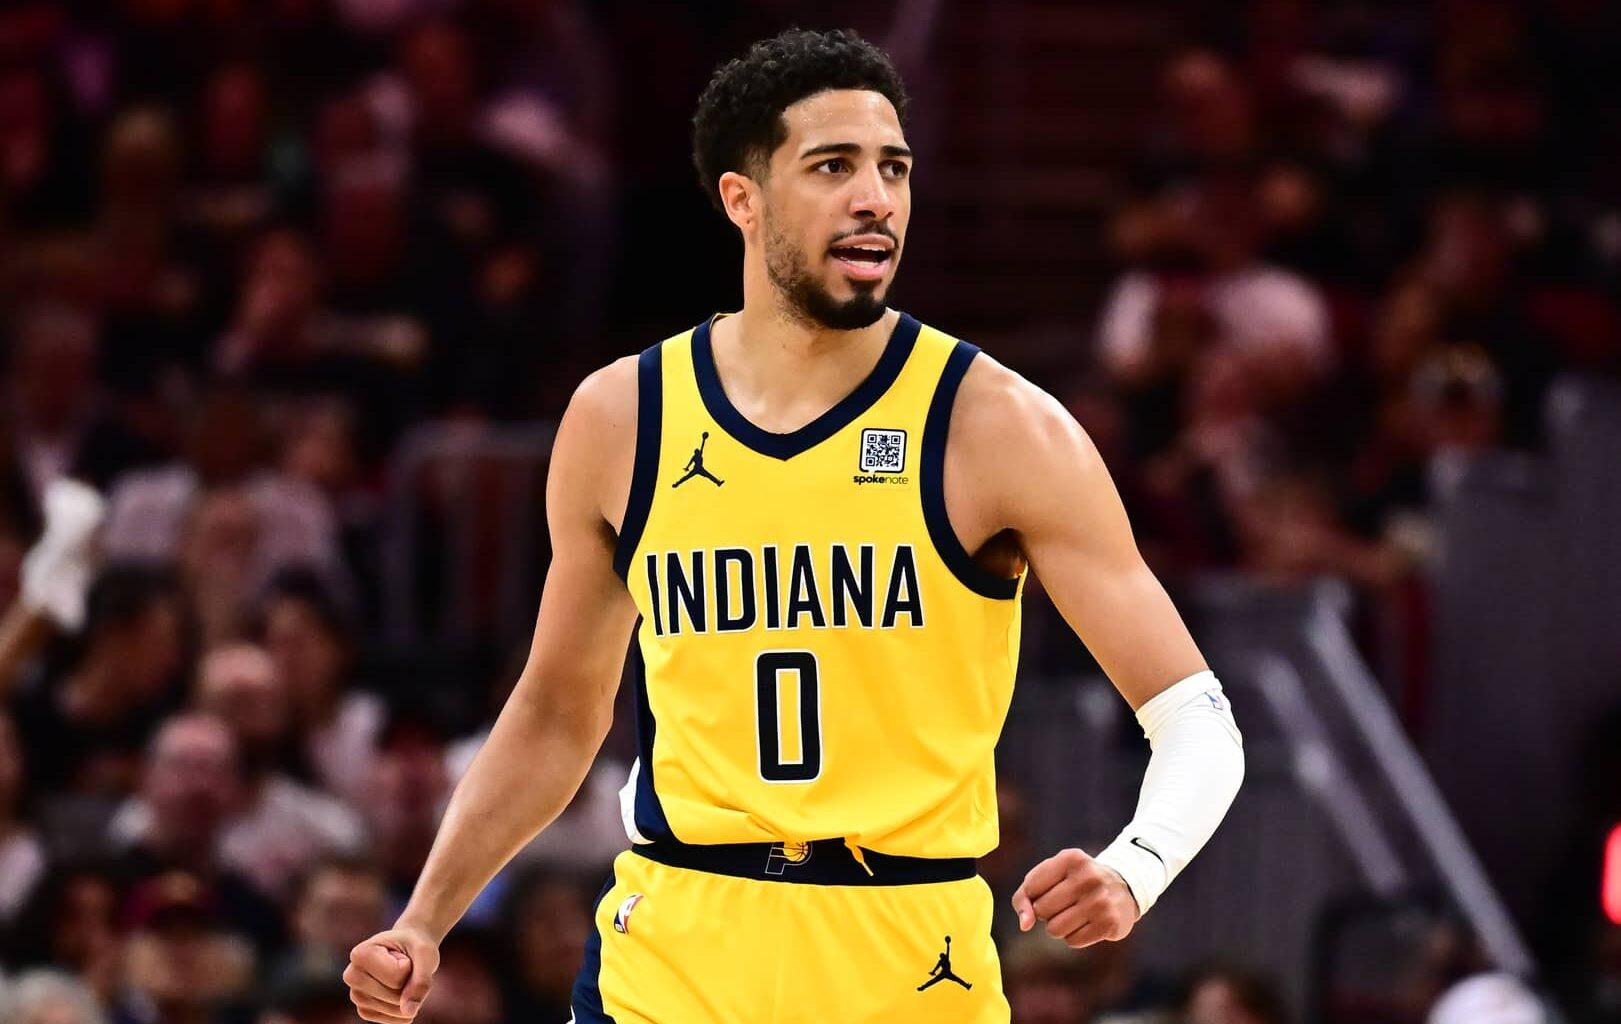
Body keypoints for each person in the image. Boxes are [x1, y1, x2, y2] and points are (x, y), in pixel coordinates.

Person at [345, 28, 1245, 1024]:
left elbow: (1196, 718)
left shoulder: (998, 426)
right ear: (743, 198)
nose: (875, 198)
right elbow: (559, 712)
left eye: (893, 169)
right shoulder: (620, 418)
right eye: (832, 166)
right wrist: (424, 917)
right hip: (673, 947)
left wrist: (1137, 864)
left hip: (903, 954)